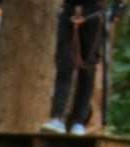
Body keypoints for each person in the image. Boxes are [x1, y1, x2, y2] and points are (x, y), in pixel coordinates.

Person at [42, 0, 117, 133]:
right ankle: (57, 118)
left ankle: (79, 121)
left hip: (94, 13)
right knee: (64, 67)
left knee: (87, 70)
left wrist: (115, 10)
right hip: (69, 11)